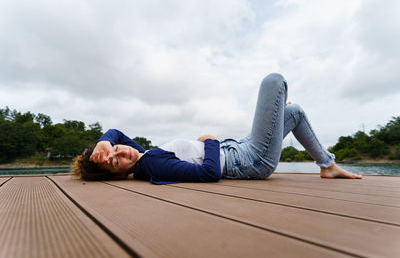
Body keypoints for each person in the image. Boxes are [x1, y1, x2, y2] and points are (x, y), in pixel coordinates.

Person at [71, 73, 362, 183]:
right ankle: (326, 163)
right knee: (274, 82)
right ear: (121, 174)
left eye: (114, 151)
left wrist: (102, 144)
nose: (119, 153)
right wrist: (210, 141)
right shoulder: (152, 165)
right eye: (114, 162)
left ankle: (327, 164)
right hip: (249, 161)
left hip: (241, 149)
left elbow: (117, 133)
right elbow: (208, 173)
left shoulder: (142, 155)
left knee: (294, 112)